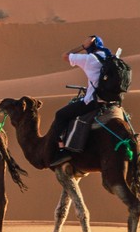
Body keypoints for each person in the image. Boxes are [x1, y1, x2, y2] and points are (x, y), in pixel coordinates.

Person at [48, 35, 114, 166]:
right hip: (111, 100)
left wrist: (83, 47)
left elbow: (65, 56)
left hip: (93, 101)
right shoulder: (111, 58)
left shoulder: (90, 59)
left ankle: (62, 151)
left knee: (60, 115)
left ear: (91, 44)